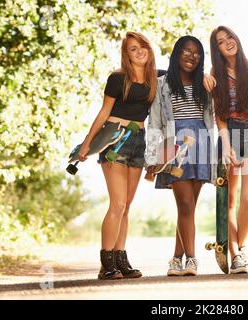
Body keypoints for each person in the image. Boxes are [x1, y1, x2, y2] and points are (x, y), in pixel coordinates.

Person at [77, 31, 158, 280]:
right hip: (115, 139)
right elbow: (103, 113)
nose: (139, 51)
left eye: (142, 45)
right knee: (118, 203)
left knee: (127, 207)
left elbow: (184, 75)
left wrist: (208, 77)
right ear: (127, 54)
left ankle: (121, 259)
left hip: (139, 142)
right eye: (133, 48)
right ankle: (107, 262)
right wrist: (87, 144)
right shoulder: (117, 79)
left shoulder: (157, 78)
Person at [146, 35, 215, 276]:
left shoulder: (204, 84)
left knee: (188, 208)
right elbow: (154, 121)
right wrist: (153, 156)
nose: (192, 56)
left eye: (197, 53)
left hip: (202, 144)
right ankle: (192, 259)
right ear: (177, 53)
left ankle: (176, 258)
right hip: (175, 146)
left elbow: (212, 117)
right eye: (186, 51)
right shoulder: (162, 84)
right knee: (185, 204)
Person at [209, 26, 248, 273]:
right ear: (218, 50)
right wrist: (225, 142)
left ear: (237, 38)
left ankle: (239, 246)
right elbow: (219, 113)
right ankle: (236, 255)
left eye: (229, 37)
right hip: (231, 135)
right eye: (221, 42)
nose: (227, 43)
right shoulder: (217, 73)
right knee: (229, 200)